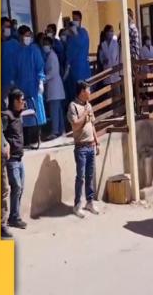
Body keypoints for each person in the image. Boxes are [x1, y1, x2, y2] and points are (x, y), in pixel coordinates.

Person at [67, 81, 100, 218]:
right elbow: (75, 125)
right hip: (80, 147)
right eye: (88, 90)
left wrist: (97, 142)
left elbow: (92, 125)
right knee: (80, 177)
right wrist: (84, 113)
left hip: (91, 145)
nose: (90, 93)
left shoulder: (89, 106)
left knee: (90, 175)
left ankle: (90, 202)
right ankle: (77, 205)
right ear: (82, 92)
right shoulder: (73, 106)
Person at [15, 25, 47, 140]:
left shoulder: (34, 49)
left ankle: (38, 136)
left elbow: (40, 67)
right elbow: (16, 70)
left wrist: (41, 82)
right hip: (22, 87)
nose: (28, 38)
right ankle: (28, 139)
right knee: (24, 113)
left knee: (36, 111)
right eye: (25, 35)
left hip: (34, 85)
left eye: (29, 35)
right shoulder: (17, 52)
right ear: (20, 37)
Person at [2, 89, 27, 229]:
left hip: (19, 158)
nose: (23, 102)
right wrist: (5, 144)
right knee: (16, 186)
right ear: (13, 102)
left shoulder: (18, 115)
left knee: (20, 187)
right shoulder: (7, 116)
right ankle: (14, 217)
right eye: (20, 100)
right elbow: (0, 133)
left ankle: (14, 216)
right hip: (11, 160)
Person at [43, 37, 66, 140]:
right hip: (54, 88)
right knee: (58, 110)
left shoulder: (52, 56)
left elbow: (53, 72)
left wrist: (44, 79)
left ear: (50, 45)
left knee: (54, 111)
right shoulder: (49, 56)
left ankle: (55, 131)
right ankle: (61, 129)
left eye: (46, 44)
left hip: (54, 88)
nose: (44, 46)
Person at [65, 11, 91, 104]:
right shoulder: (70, 36)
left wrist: (76, 33)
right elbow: (68, 51)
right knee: (73, 94)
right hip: (72, 70)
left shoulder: (83, 32)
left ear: (80, 20)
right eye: (73, 19)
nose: (74, 21)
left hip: (82, 69)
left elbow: (81, 44)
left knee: (82, 92)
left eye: (76, 19)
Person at [1, 17, 21, 110]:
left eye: (10, 27)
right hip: (3, 83)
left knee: (17, 108)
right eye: (6, 26)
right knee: (5, 109)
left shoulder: (15, 43)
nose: (8, 29)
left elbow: (20, 62)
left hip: (15, 82)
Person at [1, 120, 12, 238]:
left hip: (1, 161)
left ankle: (2, 224)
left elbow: (0, 133)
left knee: (4, 191)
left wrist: (5, 143)